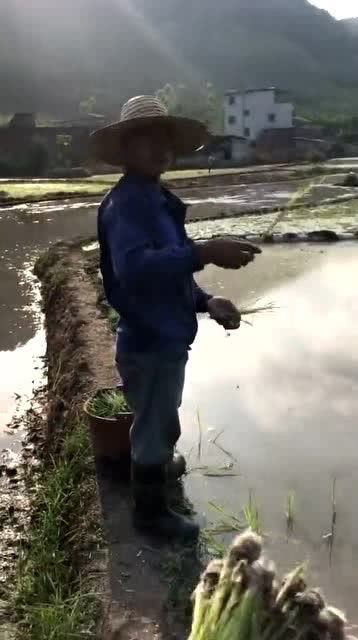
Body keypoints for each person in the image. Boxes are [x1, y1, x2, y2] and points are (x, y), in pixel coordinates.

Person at [93, 95, 261, 542]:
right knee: (156, 421)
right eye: (146, 139)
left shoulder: (155, 199)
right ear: (126, 150)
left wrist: (207, 302)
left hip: (164, 336)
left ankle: (156, 464)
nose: (159, 149)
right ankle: (150, 515)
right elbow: (135, 268)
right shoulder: (129, 204)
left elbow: (171, 272)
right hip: (149, 341)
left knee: (158, 413)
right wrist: (204, 251)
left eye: (165, 140)